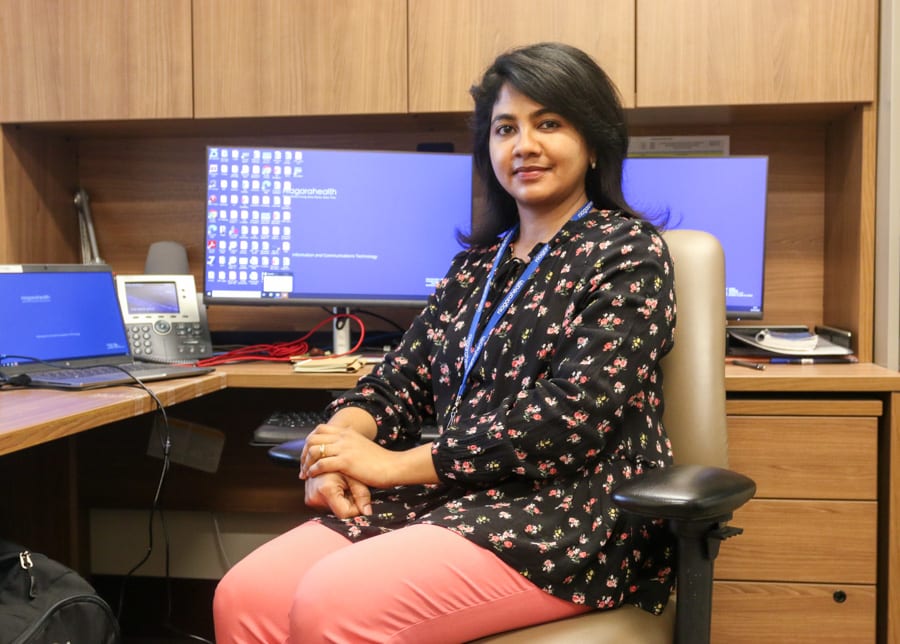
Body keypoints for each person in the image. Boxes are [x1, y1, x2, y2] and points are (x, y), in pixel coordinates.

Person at [213, 42, 677, 643]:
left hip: (569, 515)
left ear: (593, 143)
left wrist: (394, 465)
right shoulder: (475, 268)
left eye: (550, 124)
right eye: (506, 127)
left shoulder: (630, 254)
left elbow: (570, 417)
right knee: (246, 596)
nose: (525, 145)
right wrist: (338, 445)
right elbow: (397, 381)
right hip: (456, 497)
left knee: (334, 604)